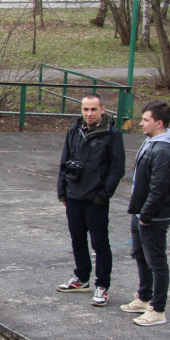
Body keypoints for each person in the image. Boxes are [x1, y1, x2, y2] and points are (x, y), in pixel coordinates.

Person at [56, 93, 126, 306]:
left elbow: (117, 168)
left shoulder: (112, 134)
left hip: (96, 199)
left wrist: (103, 194)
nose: (89, 113)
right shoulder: (74, 130)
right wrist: (62, 191)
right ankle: (82, 277)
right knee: (77, 240)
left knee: (100, 243)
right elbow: (64, 160)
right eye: (85, 109)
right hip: (74, 196)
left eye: (93, 109)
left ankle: (102, 285)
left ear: (102, 110)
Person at [123, 100, 170, 327]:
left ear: (159, 122)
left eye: (145, 120)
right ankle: (144, 296)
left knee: (156, 261)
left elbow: (159, 188)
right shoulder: (152, 143)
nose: (140, 123)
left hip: (153, 216)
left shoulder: (164, 149)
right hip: (141, 212)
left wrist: (146, 215)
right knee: (139, 254)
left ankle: (158, 309)